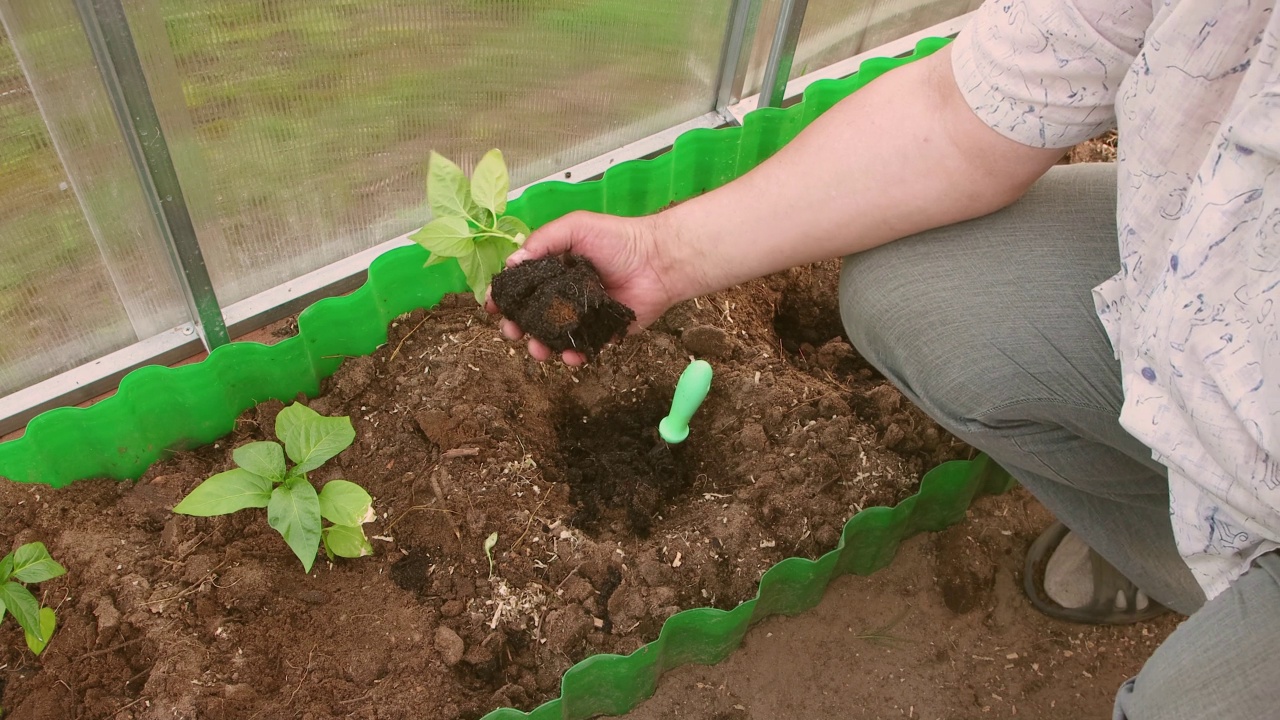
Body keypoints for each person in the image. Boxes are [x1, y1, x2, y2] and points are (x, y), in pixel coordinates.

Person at [488, 2, 1278, 717]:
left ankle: (1238, 579)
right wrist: (661, 254)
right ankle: (1194, 553)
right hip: (1215, 299)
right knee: (909, 293)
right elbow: (961, 113)